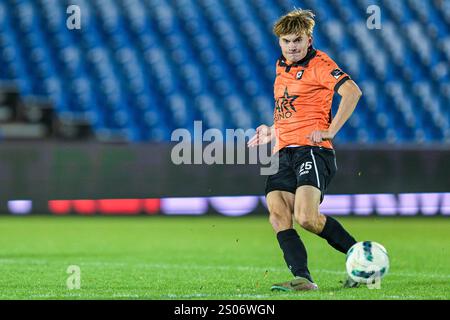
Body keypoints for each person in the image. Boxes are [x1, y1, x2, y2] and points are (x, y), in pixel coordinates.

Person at [248, 9, 363, 291]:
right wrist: (272, 130)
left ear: (309, 39)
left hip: (312, 151)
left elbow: (353, 92)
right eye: (287, 41)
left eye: (297, 40)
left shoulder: (321, 64)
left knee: (306, 218)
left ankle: (363, 260)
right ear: (279, 42)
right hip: (284, 151)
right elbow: (292, 112)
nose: (292, 46)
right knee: (277, 213)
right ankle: (303, 279)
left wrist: (331, 130)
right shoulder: (281, 67)